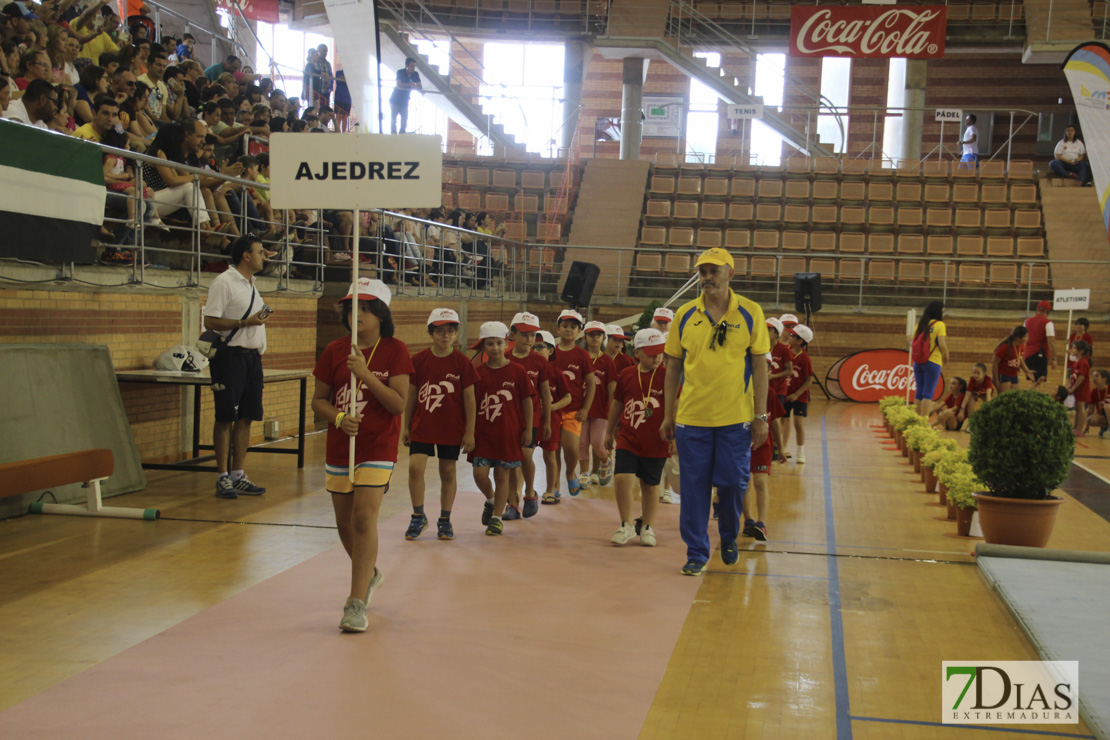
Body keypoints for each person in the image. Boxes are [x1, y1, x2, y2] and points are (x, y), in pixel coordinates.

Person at [311, 277, 413, 633]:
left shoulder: (395, 349)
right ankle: (368, 573)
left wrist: (366, 374)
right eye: (353, 307)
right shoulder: (334, 350)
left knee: (363, 519)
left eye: (366, 308)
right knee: (344, 524)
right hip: (342, 446)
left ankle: (355, 603)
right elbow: (318, 400)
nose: (358, 315)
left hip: (378, 446)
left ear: (382, 314)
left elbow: (398, 404)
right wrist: (338, 418)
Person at [660, 247, 770, 576]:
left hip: (736, 419)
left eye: (714, 271)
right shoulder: (684, 315)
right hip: (692, 420)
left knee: (735, 483)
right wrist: (669, 414)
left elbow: (761, 366)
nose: (707, 277)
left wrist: (760, 415)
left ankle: (728, 534)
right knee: (693, 489)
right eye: (703, 271)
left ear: (730, 274)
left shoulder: (750, 312)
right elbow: (672, 369)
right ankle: (696, 551)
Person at [201, 234, 271, 499]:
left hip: (252, 359)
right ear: (246, 256)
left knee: (247, 416)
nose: (263, 257)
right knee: (225, 416)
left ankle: (238, 474)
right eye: (260, 252)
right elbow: (210, 321)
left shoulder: (251, 284)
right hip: (230, 358)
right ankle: (222, 477)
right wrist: (246, 323)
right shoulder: (224, 282)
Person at [402, 308, 477, 542]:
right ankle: (418, 515)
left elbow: (470, 399)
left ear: (456, 334)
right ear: (431, 333)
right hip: (423, 424)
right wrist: (406, 426)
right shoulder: (420, 360)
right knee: (415, 468)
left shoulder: (462, 363)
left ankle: (445, 519)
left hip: (450, 426)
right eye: (440, 331)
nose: (445, 335)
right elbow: (412, 395)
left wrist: (470, 432)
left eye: (451, 331)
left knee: (447, 471)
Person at [604, 328, 669, 547]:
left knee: (650, 485)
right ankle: (626, 524)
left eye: (660, 352)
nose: (657, 357)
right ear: (637, 352)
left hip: (657, 441)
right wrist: (608, 430)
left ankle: (648, 526)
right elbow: (617, 403)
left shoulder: (668, 375)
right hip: (628, 437)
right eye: (651, 353)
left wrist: (677, 435)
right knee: (622, 478)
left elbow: (677, 406)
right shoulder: (627, 375)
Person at [470, 321, 534, 536]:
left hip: (508, 434)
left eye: (499, 343)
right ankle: (490, 500)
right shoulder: (477, 373)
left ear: (506, 343)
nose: (495, 348)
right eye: (490, 344)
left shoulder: (518, 371)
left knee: (502, 476)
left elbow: (527, 401)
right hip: (483, 435)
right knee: (480, 474)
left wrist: (528, 429)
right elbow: (470, 404)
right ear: (483, 346)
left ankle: (497, 518)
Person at [505, 312, 549, 519]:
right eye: (524, 335)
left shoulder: (539, 362)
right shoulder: (504, 358)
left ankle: (530, 492)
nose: (529, 340)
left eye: (533, 335)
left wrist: (547, 420)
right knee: (511, 461)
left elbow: (545, 393)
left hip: (531, 417)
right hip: (508, 418)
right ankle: (512, 502)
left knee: (525, 456)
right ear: (513, 334)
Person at [550, 309, 596, 497]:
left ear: (579, 331)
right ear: (558, 329)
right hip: (552, 410)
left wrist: (585, 408)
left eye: (573, 327)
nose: (569, 330)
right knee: (552, 449)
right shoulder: (550, 352)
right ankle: (553, 486)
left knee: (570, 448)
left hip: (573, 410)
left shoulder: (582, 355)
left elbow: (591, 383)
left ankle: (570, 472)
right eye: (565, 326)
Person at [533, 330, 572, 504]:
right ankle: (524, 489)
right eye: (534, 347)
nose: (537, 350)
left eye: (541, 347)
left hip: (551, 421)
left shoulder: (557, 373)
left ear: (550, 350)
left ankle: (550, 489)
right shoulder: (526, 371)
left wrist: (550, 407)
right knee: (525, 455)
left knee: (550, 456)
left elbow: (567, 397)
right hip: (529, 421)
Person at [579, 320, 616, 488]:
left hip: (601, 409)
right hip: (581, 408)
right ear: (585, 337)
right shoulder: (579, 357)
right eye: (591, 335)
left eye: (598, 335)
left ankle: (605, 461)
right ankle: (584, 473)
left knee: (598, 442)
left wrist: (613, 409)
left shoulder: (607, 361)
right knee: (581, 442)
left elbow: (611, 387)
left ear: (603, 338)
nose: (595, 338)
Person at [779, 324, 814, 464]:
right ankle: (778, 450)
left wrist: (797, 394)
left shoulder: (805, 359)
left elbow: (809, 380)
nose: (789, 337)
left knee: (798, 423)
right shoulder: (785, 352)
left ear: (800, 341)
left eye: (793, 336)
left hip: (799, 396)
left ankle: (800, 452)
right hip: (784, 394)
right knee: (780, 422)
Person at [910, 300, 948, 416]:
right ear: (938, 311)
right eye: (943, 310)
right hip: (933, 362)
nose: (944, 312)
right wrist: (946, 356)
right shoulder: (940, 325)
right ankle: (923, 423)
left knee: (919, 392)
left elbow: (913, 341)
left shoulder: (920, 324)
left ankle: (916, 421)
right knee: (928, 394)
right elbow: (942, 344)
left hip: (918, 362)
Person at [766, 316, 792, 463]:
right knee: (764, 418)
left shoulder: (783, 349)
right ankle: (767, 446)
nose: (764, 331)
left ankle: (777, 448)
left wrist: (772, 376)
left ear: (777, 334)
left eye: (768, 329)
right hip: (763, 390)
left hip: (778, 391)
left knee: (774, 419)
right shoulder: (760, 347)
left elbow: (789, 371)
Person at [991, 326, 1036, 393]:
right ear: (1018, 338)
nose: (1027, 339)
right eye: (1025, 336)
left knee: (1014, 397)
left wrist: (1026, 370)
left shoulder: (1021, 346)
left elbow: (1019, 359)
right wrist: (995, 378)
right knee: (1004, 397)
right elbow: (994, 362)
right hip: (1004, 375)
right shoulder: (1005, 347)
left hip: (1014, 375)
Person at [1023, 300, 1057, 383]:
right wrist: (1054, 358)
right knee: (1038, 381)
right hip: (1039, 355)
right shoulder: (1047, 323)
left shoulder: (1027, 321)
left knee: (1033, 381)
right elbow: (1051, 341)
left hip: (1027, 355)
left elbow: (1022, 339)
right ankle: (1031, 396)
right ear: (1048, 311)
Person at [389, 57, 420, 134]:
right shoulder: (400, 72)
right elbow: (398, 85)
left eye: (414, 66)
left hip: (405, 101)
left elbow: (420, 86)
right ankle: (393, 135)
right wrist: (410, 84)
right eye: (412, 66)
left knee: (404, 120)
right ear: (407, 66)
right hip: (395, 100)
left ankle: (402, 135)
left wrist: (413, 86)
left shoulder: (415, 74)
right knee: (393, 120)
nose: (413, 68)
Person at [1068, 340, 1092, 436]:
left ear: (1081, 351)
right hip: (1076, 388)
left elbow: (1081, 377)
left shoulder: (1083, 362)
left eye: (1074, 348)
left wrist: (1073, 388)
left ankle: (1080, 429)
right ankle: (1075, 427)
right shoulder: (1078, 361)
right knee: (1077, 409)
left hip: (1082, 389)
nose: (1072, 350)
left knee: (1081, 408)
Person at [1085, 369, 1108, 436]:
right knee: (1090, 420)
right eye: (1093, 376)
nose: (1094, 378)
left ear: (1104, 379)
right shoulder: (1094, 392)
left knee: (1108, 407)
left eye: (1096, 376)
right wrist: (1087, 425)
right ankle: (1105, 428)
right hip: (1102, 414)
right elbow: (1091, 409)